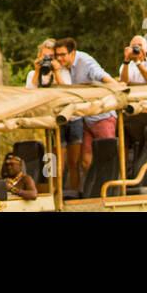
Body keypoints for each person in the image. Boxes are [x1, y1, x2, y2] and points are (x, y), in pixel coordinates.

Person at [52, 38, 123, 187]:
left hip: (102, 117)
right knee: (85, 161)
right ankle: (96, 188)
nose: (59, 58)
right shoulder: (63, 68)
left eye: (63, 54)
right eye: (57, 55)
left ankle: (113, 190)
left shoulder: (85, 61)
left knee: (108, 156)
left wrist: (118, 88)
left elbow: (101, 75)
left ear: (72, 53)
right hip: (85, 119)